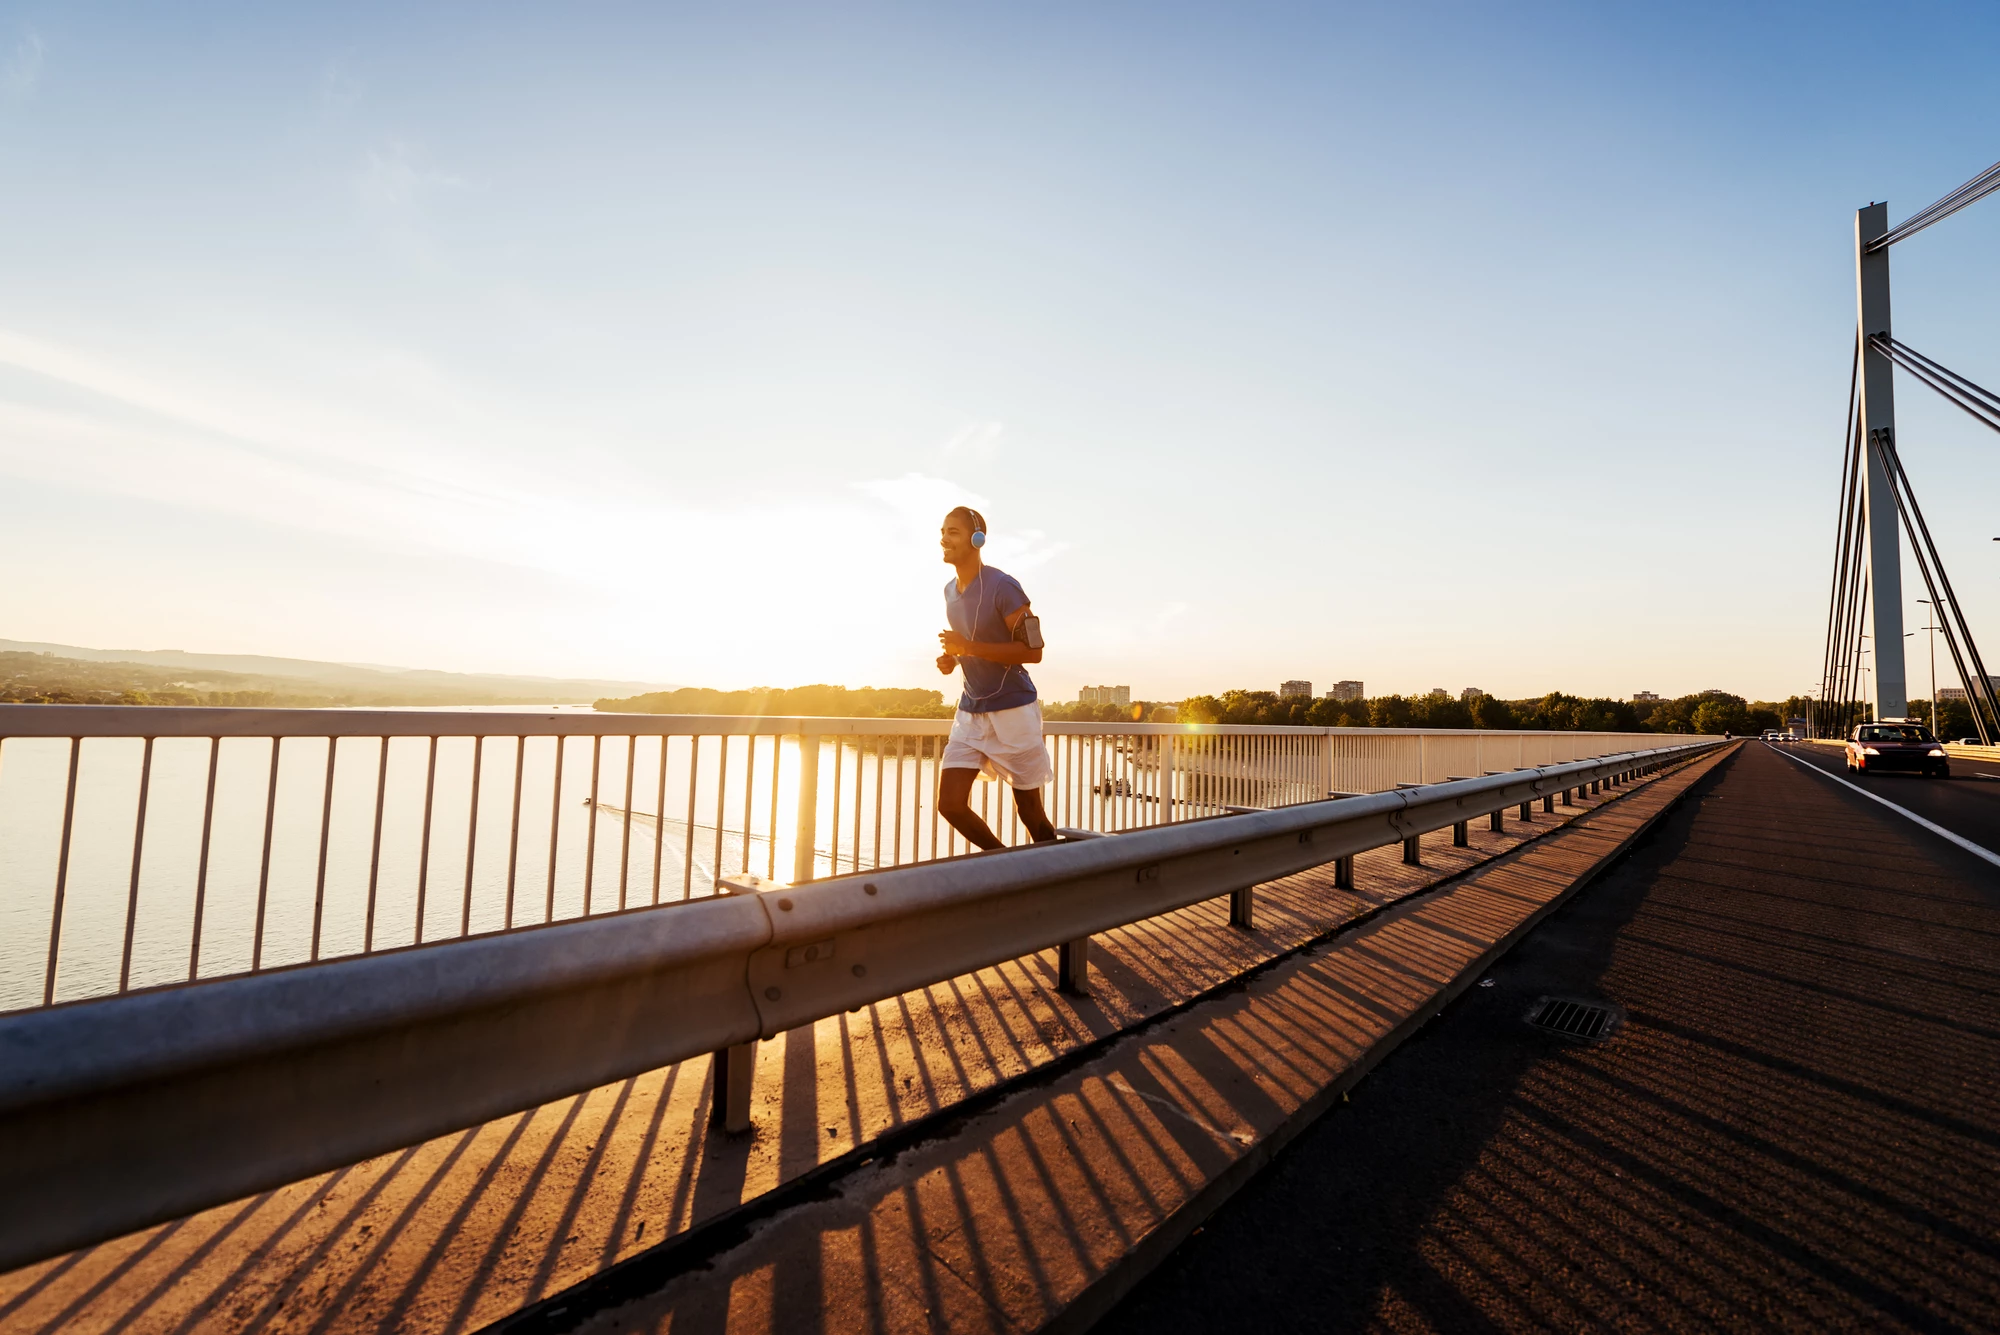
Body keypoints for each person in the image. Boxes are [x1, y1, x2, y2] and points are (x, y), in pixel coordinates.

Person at [934, 506, 1058, 849]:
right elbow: (972, 644)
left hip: (1014, 711)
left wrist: (969, 648)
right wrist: (954, 659)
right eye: (942, 532)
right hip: (971, 712)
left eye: (953, 532)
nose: (944, 539)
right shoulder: (949, 591)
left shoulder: (1004, 587)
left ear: (977, 539)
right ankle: (1006, 864)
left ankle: (1062, 871)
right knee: (950, 805)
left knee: (1030, 811)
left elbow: (1033, 652)